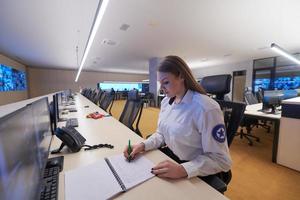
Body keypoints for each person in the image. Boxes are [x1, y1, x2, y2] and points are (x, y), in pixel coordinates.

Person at [123, 55, 232, 179]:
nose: (162, 88)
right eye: (160, 83)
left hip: (195, 169)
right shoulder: (166, 102)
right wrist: (143, 145)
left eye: (166, 82)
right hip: (172, 158)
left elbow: (222, 160)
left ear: (181, 76)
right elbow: (161, 134)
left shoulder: (206, 108)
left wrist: (183, 169)